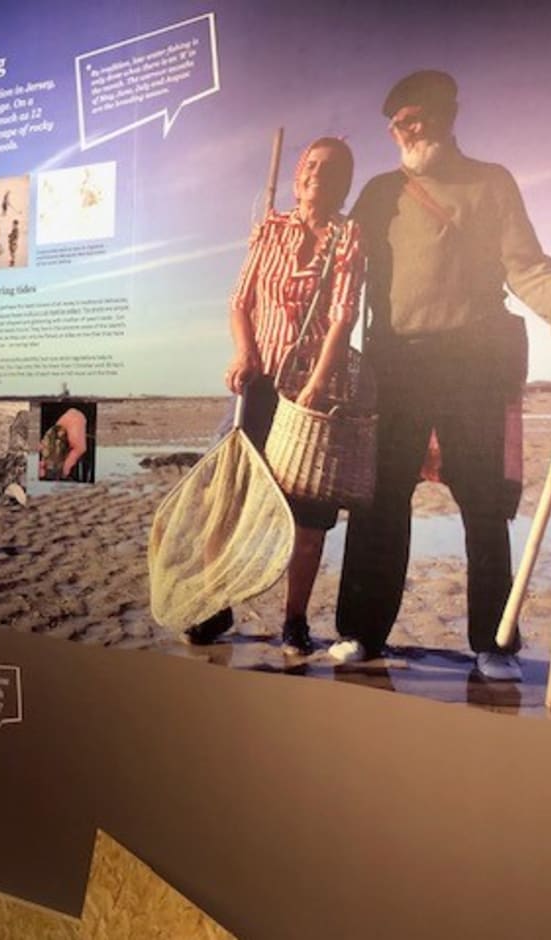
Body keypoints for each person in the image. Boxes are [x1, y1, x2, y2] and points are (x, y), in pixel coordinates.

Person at [328, 70, 551, 681]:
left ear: (446, 116)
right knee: (380, 502)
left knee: (485, 505)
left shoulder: (491, 184)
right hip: (397, 363)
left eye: (413, 119)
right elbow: (340, 269)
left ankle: (493, 641)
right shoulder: (381, 192)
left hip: (474, 362)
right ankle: (363, 632)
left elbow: (528, 268)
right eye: (395, 124)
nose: (402, 131)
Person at [184, 137, 363, 655]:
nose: (317, 175)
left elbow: (341, 318)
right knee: (226, 494)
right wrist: (244, 354)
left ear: (345, 182)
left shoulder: (349, 236)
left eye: (331, 169)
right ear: (296, 176)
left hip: (313, 391)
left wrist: (314, 384)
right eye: (310, 165)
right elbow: (240, 301)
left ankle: (295, 622)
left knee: (309, 514)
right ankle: (215, 601)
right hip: (257, 386)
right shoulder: (270, 229)